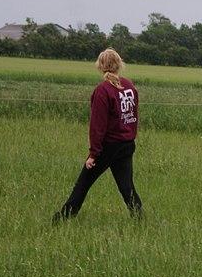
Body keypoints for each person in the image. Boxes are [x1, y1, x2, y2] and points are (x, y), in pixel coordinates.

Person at [52, 48, 143, 223]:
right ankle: (139, 219)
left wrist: (93, 154)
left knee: (84, 182)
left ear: (100, 66)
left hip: (108, 147)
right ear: (119, 64)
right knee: (127, 186)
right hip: (127, 144)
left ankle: (63, 219)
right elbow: (134, 116)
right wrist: (130, 137)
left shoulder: (103, 90)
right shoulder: (129, 86)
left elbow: (97, 126)